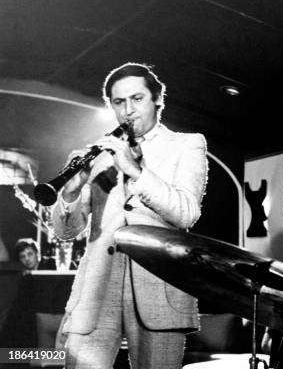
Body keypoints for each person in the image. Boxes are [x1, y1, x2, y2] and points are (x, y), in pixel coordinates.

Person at [51, 63, 208, 369]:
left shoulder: (188, 144)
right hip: (96, 290)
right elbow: (67, 233)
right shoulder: (97, 153)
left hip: (160, 288)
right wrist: (69, 194)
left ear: (157, 99)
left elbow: (187, 213)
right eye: (119, 102)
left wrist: (135, 171)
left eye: (137, 99)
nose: (128, 111)